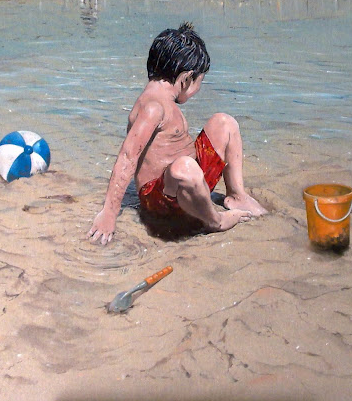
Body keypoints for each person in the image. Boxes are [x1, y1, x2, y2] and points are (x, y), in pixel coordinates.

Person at [88, 22, 267, 245]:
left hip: (187, 182)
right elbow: (128, 156)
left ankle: (237, 196)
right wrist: (109, 213)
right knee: (185, 167)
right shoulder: (153, 108)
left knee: (224, 123)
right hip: (162, 199)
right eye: (199, 82)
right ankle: (216, 221)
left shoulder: (164, 101)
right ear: (186, 79)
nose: (197, 89)